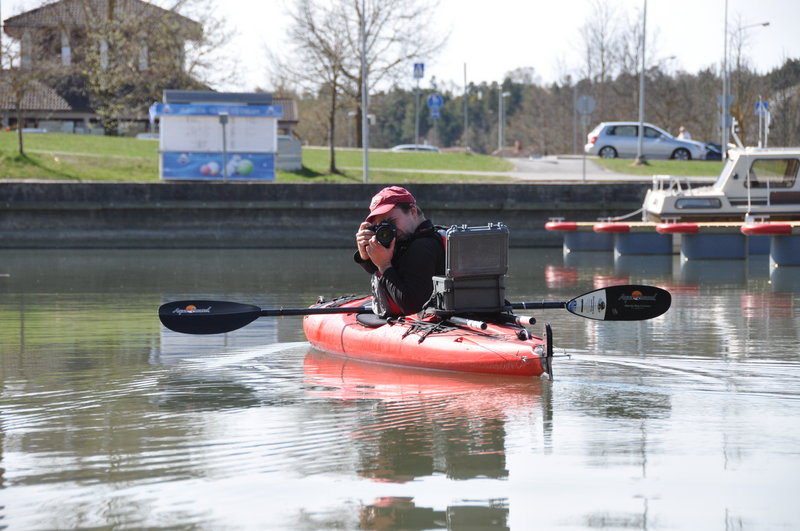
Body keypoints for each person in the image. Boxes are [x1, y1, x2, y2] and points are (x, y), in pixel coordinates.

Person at [355, 186, 445, 317]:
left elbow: (412, 306)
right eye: (380, 226)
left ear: (413, 211)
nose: (389, 230)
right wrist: (366, 255)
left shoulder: (421, 246)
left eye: (391, 222)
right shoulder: (416, 238)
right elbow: (394, 276)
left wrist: (384, 266)